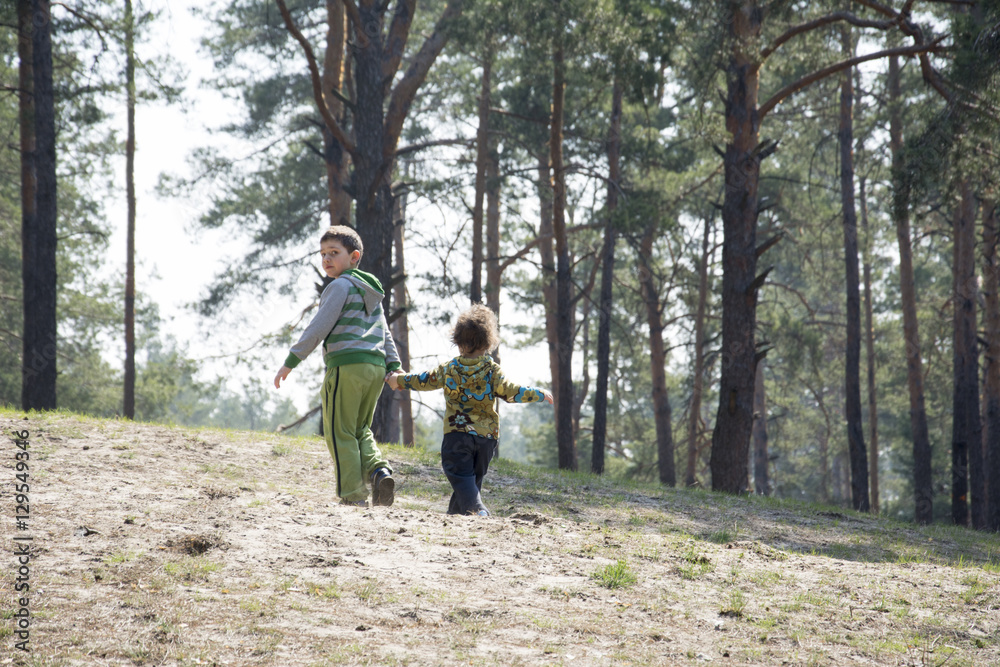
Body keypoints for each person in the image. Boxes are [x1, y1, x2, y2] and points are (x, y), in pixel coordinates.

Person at [274, 225, 401, 508]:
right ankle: (379, 471)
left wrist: (292, 360)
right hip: (375, 368)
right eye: (322, 254)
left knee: (339, 431)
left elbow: (318, 326)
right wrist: (395, 366)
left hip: (347, 366)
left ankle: (353, 495)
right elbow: (385, 333)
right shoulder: (372, 291)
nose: (327, 259)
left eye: (334, 252)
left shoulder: (339, 286)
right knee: (360, 429)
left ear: (354, 256)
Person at [387, 304, 553, 516]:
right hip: (486, 438)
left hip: (457, 435)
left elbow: (423, 380)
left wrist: (397, 380)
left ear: (457, 341)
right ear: (489, 342)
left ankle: (477, 510)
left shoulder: (450, 368)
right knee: (470, 480)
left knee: (459, 474)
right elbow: (511, 392)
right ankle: (456, 516)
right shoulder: (492, 370)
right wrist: (537, 393)